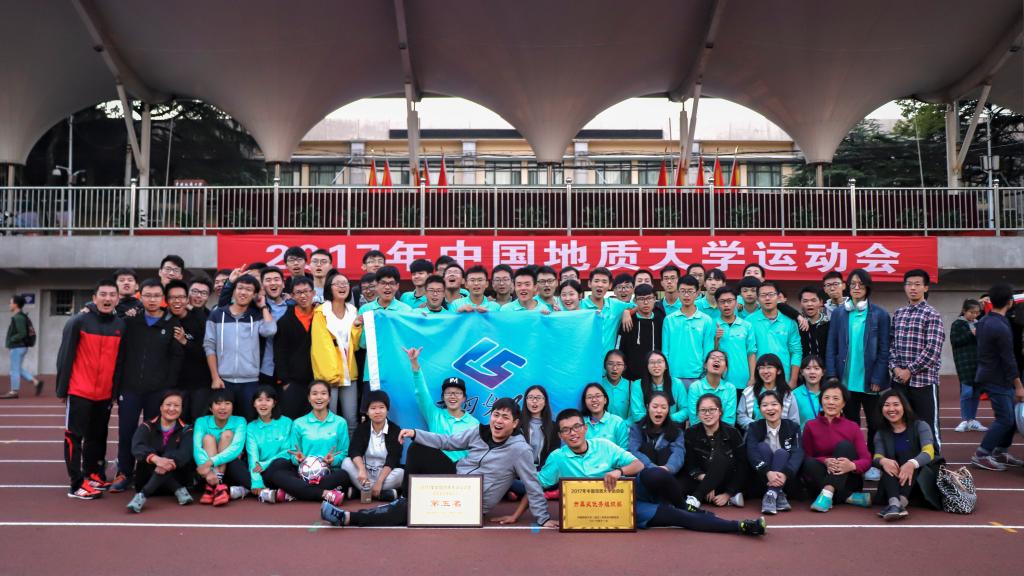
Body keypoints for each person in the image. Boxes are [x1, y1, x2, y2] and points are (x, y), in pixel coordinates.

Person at [323, 398, 553, 528]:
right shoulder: (479, 431)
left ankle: (349, 518)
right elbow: (447, 442)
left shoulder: (520, 450)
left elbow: (532, 484)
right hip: (455, 478)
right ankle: (407, 498)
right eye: (496, 415)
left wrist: (542, 519)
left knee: (408, 510)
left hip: (471, 500)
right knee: (419, 448)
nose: (498, 421)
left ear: (515, 423)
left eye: (505, 417)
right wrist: (415, 433)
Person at [531, 409, 764, 535]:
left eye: (576, 427)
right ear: (560, 435)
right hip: (621, 510)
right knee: (679, 519)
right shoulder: (558, 458)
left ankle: (683, 504)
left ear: (584, 428)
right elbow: (535, 485)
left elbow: (638, 466)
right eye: (566, 430)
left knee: (656, 473)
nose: (572, 433)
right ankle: (740, 526)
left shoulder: (603, 445)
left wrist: (618, 472)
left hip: (631, 491)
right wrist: (542, 518)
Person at [111, 278, 184, 492]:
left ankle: (147, 475)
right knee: (126, 432)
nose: (152, 300)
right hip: (130, 389)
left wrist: (167, 389)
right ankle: (124, 472)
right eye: (148, 296)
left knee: (153, 434)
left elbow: (176, 358)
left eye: (156, 296)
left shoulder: (172, 323)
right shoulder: (130, 322)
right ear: (140, 297)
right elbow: (120, 355)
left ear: (163, 298)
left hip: (157, 392)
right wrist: (116, 387)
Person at [57, 279, 127, 499]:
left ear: (117, 299)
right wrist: (62, 389)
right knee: (74, 437)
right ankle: (76, 484)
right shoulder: (78, 321)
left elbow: (119, 362)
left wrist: (114, 391)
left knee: (97, 436)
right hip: (79, 389)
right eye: (103, 294)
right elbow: (65, 356)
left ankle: (93, 473)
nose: (107, 298)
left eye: (112, 295)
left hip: (104, 393)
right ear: (94, 297)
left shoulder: (120, 325)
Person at [826, 268, 890, 482]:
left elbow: (884, 350)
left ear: (867, 287)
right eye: (852, 284)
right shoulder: (839, 313)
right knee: (850, 425)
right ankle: (853, 462)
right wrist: (832, 376)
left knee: (875, 424)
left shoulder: (880, 314)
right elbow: (832, 346)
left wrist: (878, 378)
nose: (856, 288)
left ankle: (872, 462)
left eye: (860, 284)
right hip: (845, 382)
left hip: (870, 382)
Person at [261, 381, 350, 504]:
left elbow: (344, 453)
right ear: (309, 398)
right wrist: (297, 459)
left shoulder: (340, 422)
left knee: (343, 476)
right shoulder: (299, 423)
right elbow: (293, 453)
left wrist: (333, 460)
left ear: (329, 397)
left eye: (323, 393)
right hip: (303, 474)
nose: (319, 397)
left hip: (328, 474)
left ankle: (294, 493)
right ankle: (324, 494)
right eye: (315, 394)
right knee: (277, 475)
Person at [204, 275, 277, 422]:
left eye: (249, 289)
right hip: (223, 380)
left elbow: (270, 330)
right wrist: (215, 377)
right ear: (233, 291)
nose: (243, 292)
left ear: (254, 294)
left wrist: (263, 306)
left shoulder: (256, 315)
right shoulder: (217, 314)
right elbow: (209, 345)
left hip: (250, 381)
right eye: (240, 288)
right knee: (224, 422)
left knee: (249, 420)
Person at [402, 347, 479, 477]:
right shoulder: (435, 414)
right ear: (443, 397)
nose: (453, 396)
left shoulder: (474, 423)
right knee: (416, 446)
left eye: (457, 393)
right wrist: (414, 363)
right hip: (436, 466)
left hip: (462, 472)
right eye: (448, 393)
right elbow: (421, 392)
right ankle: (407, 490)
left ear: (464, 398)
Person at [889, 269, 944, 448]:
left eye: (917, 284)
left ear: (925, 288)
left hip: (923, 382)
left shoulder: (932, 314)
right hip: (899, 382)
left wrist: (909, 371)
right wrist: (895, 368)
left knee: (927, 426)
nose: (912, 288)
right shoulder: (899, 313)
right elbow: (891, 345)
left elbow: (933, 350)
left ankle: (935, 462)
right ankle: (906, 460)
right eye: (909, 284)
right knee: (901, 425)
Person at [971, 283, 1024, 471]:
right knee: (1006, 419)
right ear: (1010, 302)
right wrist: (1019, 385)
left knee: (1011, 418)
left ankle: (1000, 451)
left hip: (990, 374)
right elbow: (1008, 359)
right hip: (997, 378)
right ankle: (982, 454)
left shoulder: (985, 321)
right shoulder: (1000, 326)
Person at [801, 379, 872, 512]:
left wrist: (852, 465)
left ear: (844, 403)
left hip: (848, 479)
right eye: (827, 398)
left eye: (836, 398)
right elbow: (807, 456)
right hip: (821, 477)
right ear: (821, 401)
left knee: (845, 447)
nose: (831, 402)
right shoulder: (810, 426)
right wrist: (825, 461)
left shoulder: (852, 427)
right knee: (808, 463)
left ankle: (828, 493)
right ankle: (847, 497)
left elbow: (866, 460)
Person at [125, 390, 194, 513]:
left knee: (170, 457)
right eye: (168, 405)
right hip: (147, 478)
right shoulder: (147, 426)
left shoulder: (187, 430)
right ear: (161, 407)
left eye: (176, 405)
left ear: (182, 409)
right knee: (150, 457)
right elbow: (137, 447)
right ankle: (177, 489)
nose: (172, 409)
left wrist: (165, 461)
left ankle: (143, 495)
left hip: (176, 478)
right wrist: (156, 459)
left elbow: (185, 453)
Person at [873, 390, 937, 521]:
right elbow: (877, 456)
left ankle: (897, 504)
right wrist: (883, 461)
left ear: (904, 406)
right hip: (894, 483)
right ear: (881, 409)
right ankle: (896, 505)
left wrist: (911, 464)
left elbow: (929, 452)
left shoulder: (920, 426)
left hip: (920, 482)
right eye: (887, 405)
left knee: (908, 456)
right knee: (888, 463)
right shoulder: (881, 433)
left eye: (896, 404)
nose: (891, 409)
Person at [310, 271, 359, 424]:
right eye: (337, 284)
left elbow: (356, 345)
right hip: (328, 375)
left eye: (345, 283)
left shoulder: (353, 310)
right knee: (328, 419)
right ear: (329, 288)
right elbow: (321, 346)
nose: (342, 286)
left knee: (351, 419)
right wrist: (331, 375)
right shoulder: (321, 312)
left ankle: (350, 442)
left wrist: (357, 327)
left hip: (349, 371)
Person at [682, 394, 747, 507]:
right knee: (678, 485)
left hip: (726, 480)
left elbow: (742, 465)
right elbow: (690, 464)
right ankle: (729, 499)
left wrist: (728, 493)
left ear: (720, 411)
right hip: (701, 477)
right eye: (703, 410)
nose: (707, 414)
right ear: (697, 413)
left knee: (721, 458)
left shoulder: (732, 433)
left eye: (712, 409)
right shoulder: (690, 433)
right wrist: (708, 481)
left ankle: (697, 497)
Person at [745, 389, 804, 514]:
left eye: (774, 404)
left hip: (786, 479)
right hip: (762, 478)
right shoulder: (754, 427)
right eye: (765, 405)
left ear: (782, 407)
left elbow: (798, 452)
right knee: (762, 447)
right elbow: (752, 452)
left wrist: (785, 474)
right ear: (760, 409)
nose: (770, 408)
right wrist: (767, 472)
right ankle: (778, 493)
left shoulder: (793, 427)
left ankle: (772, 493)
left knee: (782, 453)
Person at [341, 390, 403, 501]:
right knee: (346, 462)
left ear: (387, 410)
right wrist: (362, 470)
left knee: (401, 473)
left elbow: (393, 458)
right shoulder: (362, 429)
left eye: (381, 407)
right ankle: (381, 494)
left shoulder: (395, 430)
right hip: (364, 473)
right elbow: (354, 451)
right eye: (373, 408)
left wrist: (379, 482)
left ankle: (361, 492)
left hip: (384, 474)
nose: (377, 412)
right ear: (367, 412)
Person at [192, 389, 251, 506]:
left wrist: (210, 463)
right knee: (208, 438)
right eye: (218, 404)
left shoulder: (240, 421)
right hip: (206, 472)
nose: (223, 408)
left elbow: (236, 448)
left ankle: (215, 486)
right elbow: (197, 448)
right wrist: (209, 471)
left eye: (227, 403)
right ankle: (218, 486)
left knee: (227, 435)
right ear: (210, 408)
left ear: (233, 407)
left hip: (230, 466)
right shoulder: (201, 421)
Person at [167, 280, 212, 422]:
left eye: (203, 293)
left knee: (198, 422)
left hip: (200, 383)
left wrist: (185, 341)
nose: (198, 296)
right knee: (177, 422)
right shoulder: (167, 318)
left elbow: (208, 351)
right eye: (195, 291)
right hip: (175, 383)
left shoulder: (206, 319)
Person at [662, 275, 716, 387]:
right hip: (673, 376)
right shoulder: (669, 320)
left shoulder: (706, 320)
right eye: (683, 291)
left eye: (690, 291)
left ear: (697, 293)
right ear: (678, 292)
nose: (686, 295)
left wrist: (705, 373)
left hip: (698, 376)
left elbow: (708, 350)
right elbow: (665, 350)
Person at [747, 280, 802, 389]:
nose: (767, 298)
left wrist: (793, 380)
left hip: (784, 377)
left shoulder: (789, 322)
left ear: (778, 297)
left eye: (771, 294)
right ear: (757, 299)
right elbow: (749, 351)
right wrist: (752, 377)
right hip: (759, 378)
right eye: (763, 295)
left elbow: (796, 352)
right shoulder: (749, 321)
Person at [274, 276, 315, 420]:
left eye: (306, 291)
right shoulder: (285, 321)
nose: (303, 296)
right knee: (290, 419)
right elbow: (280, 352)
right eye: (298, 292)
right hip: (293, 381)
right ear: (292, 295)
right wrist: (284, 381)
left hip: (318, 379)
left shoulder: (321, 315)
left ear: (313, 293)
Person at [245, 386, 295, 504]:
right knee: (237, 465)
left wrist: (266, 464)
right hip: (259, 469)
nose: (263, 404)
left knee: (280, 464)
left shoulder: (287, 422)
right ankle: (262, 488)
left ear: (274, 403)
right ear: (254, 403)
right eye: (259, 400)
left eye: (268, 400)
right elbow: (253, 455)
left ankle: (248, 488)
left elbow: (287, 451)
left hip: (278, 466)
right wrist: (257, 479)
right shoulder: (251, 427)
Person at [950, 299, 986, 432]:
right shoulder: (958, 324)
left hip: (978, 362)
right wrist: (971, 334)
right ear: (964, 311)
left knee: (976, 392)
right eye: (972, 312)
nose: (974, 315)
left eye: (977, 312)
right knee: (967, 391)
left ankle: (972, 419)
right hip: (964, 362)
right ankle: (965, 419)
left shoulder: (979, 324)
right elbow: (955, 341)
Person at [737, 354, 800, 430]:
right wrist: (756, 426)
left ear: (779, 371)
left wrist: (776, 428)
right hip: (755, 434)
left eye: (769, 367)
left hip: (781, 435)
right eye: (762, 368)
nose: (765, 371)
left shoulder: (787, 394)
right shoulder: (748, 392)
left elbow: (794, 420)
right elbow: (741, 416)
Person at [629, 392, 685, 476]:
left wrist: (668, 468)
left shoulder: (677, 431)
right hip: (644, 474)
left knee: (665, 452)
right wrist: (653, 468)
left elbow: (678, 453)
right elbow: (633, 451)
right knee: (647, 449)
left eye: (663, 407)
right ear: (647, 407)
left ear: (668, 410)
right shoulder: (637, 428)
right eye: (655, 407)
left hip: (667, 474)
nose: (659, 411)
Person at [581, 267, 634, 354]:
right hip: (585, 358)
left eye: (604, 282)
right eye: (596, 281)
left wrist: (627, 311)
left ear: (610, 285)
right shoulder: (579, 305)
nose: (600, 285)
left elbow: (638, 306)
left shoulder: (615, 305)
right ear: (589, 283)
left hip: (608, 361)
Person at [713, 286, 757, 391]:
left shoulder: (746, 325)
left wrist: (752, 377)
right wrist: (716, 340)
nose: (726, 305)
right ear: (717, 304)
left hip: (743, 380)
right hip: (719, 381)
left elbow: (751, 353)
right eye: (722, 301)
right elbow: (709, 355)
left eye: (730, 301)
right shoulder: (711, 324)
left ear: (736, 302)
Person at [619, 284, 665, 380]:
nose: (646, 302)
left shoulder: (661, 320)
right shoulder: (628, 321)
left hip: (656, 375)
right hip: (631, 376)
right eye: (641, 299)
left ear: (655, 299)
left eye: (649, 298)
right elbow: (621, 348)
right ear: (635, 301)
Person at [630, 350, 688, 424]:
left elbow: (685, 410)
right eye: (652, 362)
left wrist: (666, 420)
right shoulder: (638, 385)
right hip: (646, 426)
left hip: (672, 425)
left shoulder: (677, 383)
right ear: (647, 366)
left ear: (666, 366)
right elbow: (637, 414)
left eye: (659, 362)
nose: (656, 365)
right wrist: (656, 421)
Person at [2, 294, 42, 398]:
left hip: (17, 347)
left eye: (10, 302)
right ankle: (36, 382)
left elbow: (22, 333)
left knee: (14, 370)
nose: (9, 304)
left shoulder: (18, 318)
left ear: (15, 305)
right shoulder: (20, 316)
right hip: (20, 347)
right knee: (18, 369)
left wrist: (11, 340)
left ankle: (14, 391)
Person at [258, 266, 291, 388]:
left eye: (276, 279)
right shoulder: (256, 308)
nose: (273, 283)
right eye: (268, 280)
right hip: (263, 369)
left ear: (283, 284)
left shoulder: (293, 307)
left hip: (289, 370)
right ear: (262, 285)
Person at [687, 350, 737, 426]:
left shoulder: (730, 388)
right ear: (705, 365)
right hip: (699, 431)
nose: (717, 360)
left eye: (721, 359)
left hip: (724, 431)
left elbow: (729, 419)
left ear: (725, 368)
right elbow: (694, 418)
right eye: (713, 358)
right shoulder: (695, 387)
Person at [582, 382, 630, 449]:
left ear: (605, 400)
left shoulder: (617, 422)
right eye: (589, 397)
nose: (594, 400)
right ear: (584, 402)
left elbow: (625, 450)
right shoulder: (580, 423)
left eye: (598, 396)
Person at [601, 349, 635, 420]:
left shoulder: (631, 386)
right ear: (604, 365)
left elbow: (634, 414)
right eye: (610, 364)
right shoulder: (599, 385)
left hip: (624, 426)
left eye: (619, 364)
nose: (614, 368)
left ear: (624, 367)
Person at [792, 355, 824, 427]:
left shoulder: (828, 393)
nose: (812, 372)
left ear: (822, 372)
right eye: (808, 368)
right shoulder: (794, 395)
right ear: (802, 372)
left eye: (816, 368)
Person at [798, 286, 829, 360]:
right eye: (805, 301)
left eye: (813, 300)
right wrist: (797, 316)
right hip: (803, 366)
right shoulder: (796, 324)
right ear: (800, 303)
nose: (809, 304)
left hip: (824, 366)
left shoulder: (829, 323)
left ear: (821, 302)